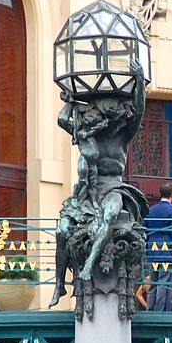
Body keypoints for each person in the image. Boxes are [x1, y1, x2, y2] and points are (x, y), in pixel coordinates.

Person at [49, 58, 149, 310]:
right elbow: (63, 121)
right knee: (62, 229)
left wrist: (139, 82)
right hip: (87, 192)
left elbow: (139, 111)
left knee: (111, 214)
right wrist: (70, 101)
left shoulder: (124, 133)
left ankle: (89, 265)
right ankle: (59, 284)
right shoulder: (84, 134)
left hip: (114, 187)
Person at [144, 182, 172, 311]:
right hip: (167, 251)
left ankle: (150, 309)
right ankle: (159, 311)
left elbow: (146, 230)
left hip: (152, 249)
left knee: (153, 281)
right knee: (164, 282)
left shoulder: (150, 210)